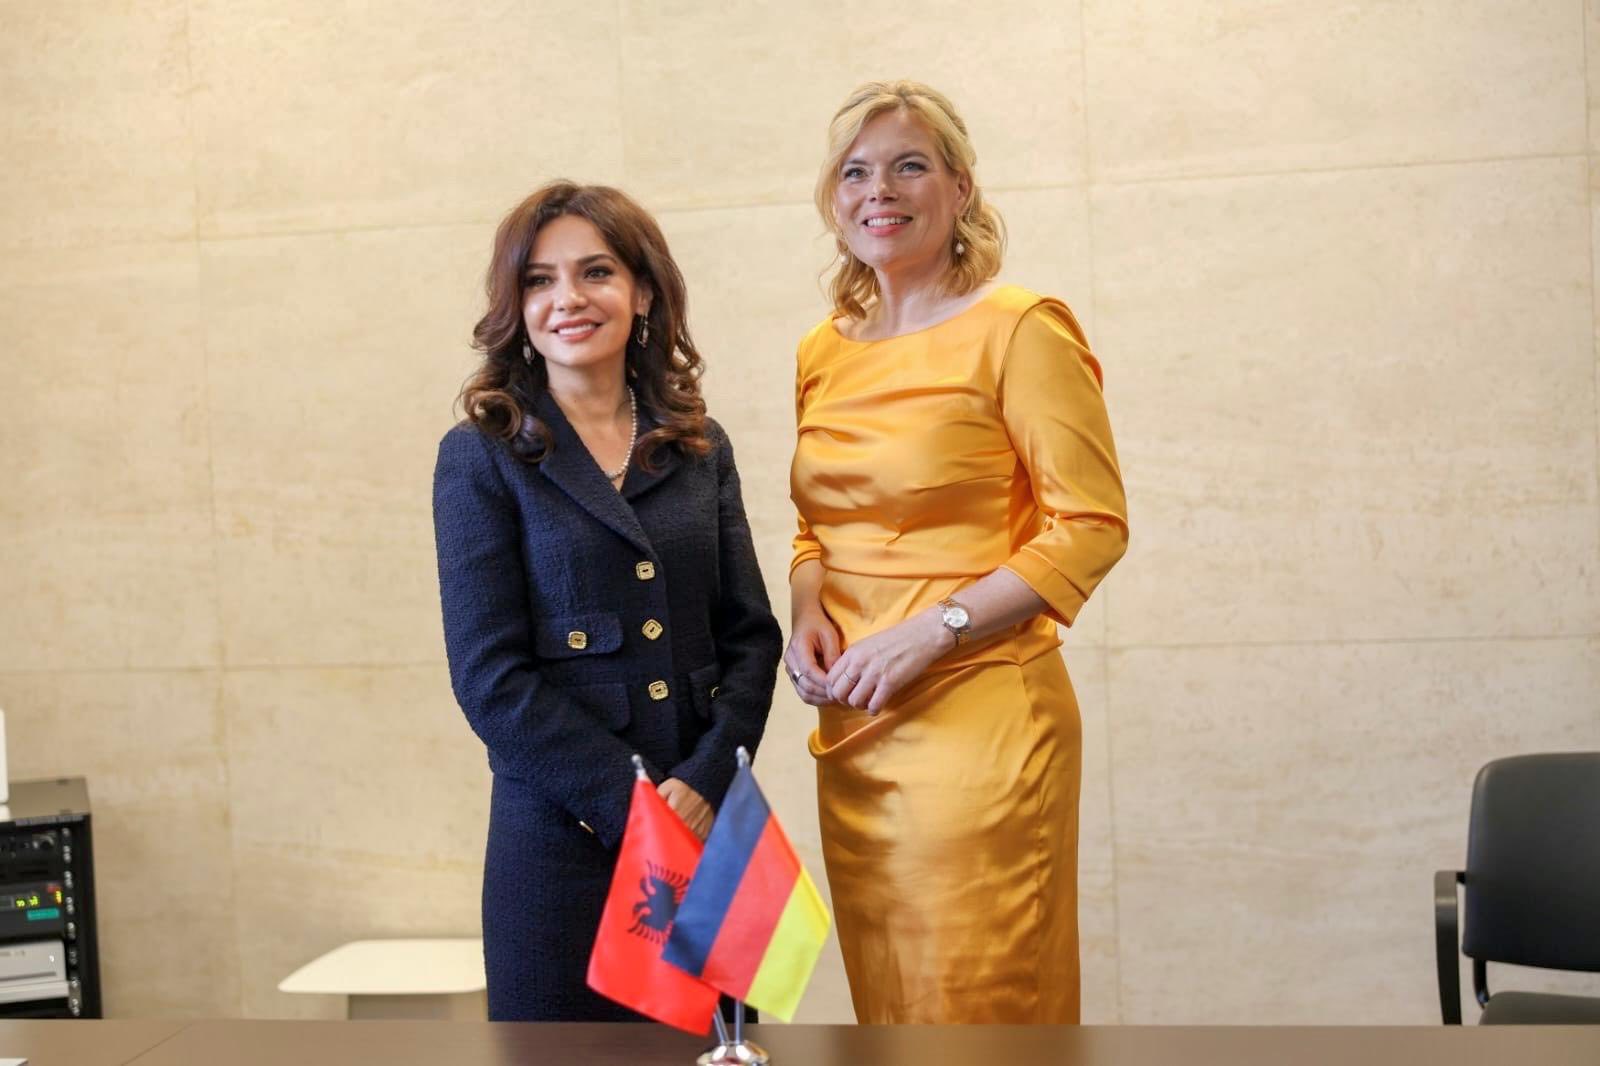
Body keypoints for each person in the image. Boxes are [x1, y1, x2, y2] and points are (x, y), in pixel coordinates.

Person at [785, 81, 1130, 1023]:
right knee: (892, 1007)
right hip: (854, 725)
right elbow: (817, 526)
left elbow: (1091, 523)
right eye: (856, 172)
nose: (879, 191)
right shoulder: (823, 350)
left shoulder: (1019, 327)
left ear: (961, 188)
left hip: (982, 720)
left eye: (910, 166)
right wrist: (807, 609)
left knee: (981, 1006)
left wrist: (935, 629)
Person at [433, 181, 782, 1021]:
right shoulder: (481, 456)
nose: (568, 298)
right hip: (561, 840)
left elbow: (751, 639)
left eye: (595, 272)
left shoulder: (699, 444)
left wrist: (703, 783)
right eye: (539, 280)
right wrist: (635, 809)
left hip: (705, 822)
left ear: (643, 291)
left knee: (719, 1050)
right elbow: (490, 680)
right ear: (516, 305)